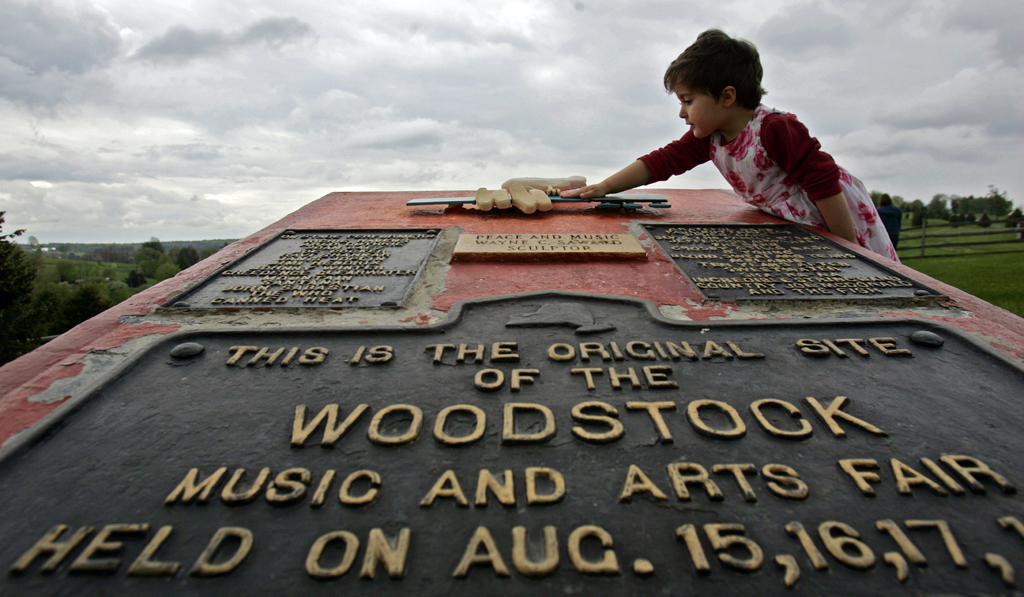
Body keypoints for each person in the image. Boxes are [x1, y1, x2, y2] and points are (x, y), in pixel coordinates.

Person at [561, 29, 899, 262]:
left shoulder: (775, 129)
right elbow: (663, 162)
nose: (682, 112)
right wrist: (605, 187)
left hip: (831, 214)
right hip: (788, 221)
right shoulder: (711, 138)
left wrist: (847, 247)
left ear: (727, 97)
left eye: (688, 100)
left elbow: (824, 184)